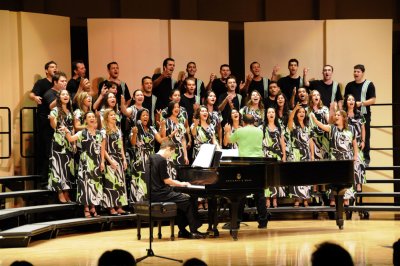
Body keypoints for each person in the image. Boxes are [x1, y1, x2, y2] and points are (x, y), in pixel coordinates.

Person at [146, 140, 207, 239]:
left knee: (181, 202)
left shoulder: (151, 157)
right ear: (168, 149)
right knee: (189, 200)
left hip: (153, 193)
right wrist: (181, 183)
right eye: (171, 153)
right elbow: (167, 180)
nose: (170, 156)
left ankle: (183, 231)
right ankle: (194, 231)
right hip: (161, 194)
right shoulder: (161, 160)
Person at [224, 114, 268, 228]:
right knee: (260, 193)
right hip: (259, 163)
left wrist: (227, 131)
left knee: (241, 193)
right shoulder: (259, 131)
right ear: (254, 122)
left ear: (243, 122)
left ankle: (237, 221)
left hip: (245, 164)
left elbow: (229, 140)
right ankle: (263, 222)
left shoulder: (240, 131)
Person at [310, 109, 358, 206]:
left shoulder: (350, 130)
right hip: (335, 159)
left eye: (338, 115)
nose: (336, 116)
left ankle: (346, 199)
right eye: (335, 115)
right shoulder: (332, 128)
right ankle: (333, 199)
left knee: (346, 180)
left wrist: (355, 156)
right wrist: (315, 120)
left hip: (346, 159)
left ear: (343, 118)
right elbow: (322, 126)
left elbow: (354, 144)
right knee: (335, 180)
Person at [63, 111, 104, 218]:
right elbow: (71, 139)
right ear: (85, 120)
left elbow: (102, 149)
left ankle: (93, 207)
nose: (91, 118)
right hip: (85, 162)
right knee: (85, 184)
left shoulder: (100, 133)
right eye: (89, 117)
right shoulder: (82, 132)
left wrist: (102, 162)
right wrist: (67, 131)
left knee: (95, 184)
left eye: (93, 117)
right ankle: (86, 208)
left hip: (96, 162)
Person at [29, 61, 58, 187]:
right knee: (46, 147)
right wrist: (34, 98)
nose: (54, 69)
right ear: (46, 70)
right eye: (52, 67)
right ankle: (44, 178)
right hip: (44, 118)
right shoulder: (41, 83)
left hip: (56, 118)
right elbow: (32, 93)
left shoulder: (57, 84)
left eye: (56, 67)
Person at [129, 108, 164, 203]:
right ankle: (138, 202)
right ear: (139, 117)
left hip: (150, 158)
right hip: (139, 158)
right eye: (143, 115)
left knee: (150, 179)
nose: (146, 117)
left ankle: (149, 200)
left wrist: (161, 126)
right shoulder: (135, 128)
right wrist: (135, 133)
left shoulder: (152, 128)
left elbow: (160, 140)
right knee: (140, 179)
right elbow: (133, 143)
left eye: (147, 115)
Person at [344, 64, 376, 166]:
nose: (356, 73)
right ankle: (349, 156)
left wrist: (361, 103)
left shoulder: (369, 84)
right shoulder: (349, 85)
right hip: (350, 114)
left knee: (365, 135)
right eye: (354, 71)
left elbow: (373, 100)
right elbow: (345, 99)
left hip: (363, 114)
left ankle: (365, 158)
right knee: (348, 134)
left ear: (362, 73)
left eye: (358, 72)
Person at [48, 89, 75, 203]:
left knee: (67, 167)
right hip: (59, 141)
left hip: (69, 141)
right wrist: (53, 119)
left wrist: (73, 142)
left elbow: (72, 127)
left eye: (67, 94)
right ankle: (60, 191)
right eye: (63, 94)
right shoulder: (55, 110)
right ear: (59, 97)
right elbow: (53, 126)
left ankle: (66, 191)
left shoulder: (70, 111)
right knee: (58, 166)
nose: (65, 96)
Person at [101, 109, 129, 216]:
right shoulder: (104, 131)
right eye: (111, 115)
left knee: (120, 182)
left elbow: (121, 146)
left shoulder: (118, 130)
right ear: (107, 117)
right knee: (111, 183)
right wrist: (110, 161)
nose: (114, 116)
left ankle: (119, 206)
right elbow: (103, 149)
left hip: (119, 159)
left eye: (114, 115)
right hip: (110, 159)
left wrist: (124, 159)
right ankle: (111, 207)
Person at [288, 103, 314, 206]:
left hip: (306, 153)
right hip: (296, 153)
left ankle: (306, 198)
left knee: (306, 176)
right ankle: (297, 199)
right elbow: (290, 120)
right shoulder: (294, 126)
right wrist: (294, 109)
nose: (302, 113)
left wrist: (312, 155)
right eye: (300, 112)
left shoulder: (308, 126)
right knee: (296, 176)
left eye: (303, 112)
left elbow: (311, 141)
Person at [263, 107, 286, 208]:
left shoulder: (279, 127)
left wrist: (284, 154)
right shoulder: (263, 127)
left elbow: (282, 142)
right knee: (267, 177)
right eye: (269, 112)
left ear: (275, 114)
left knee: (276, 177)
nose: (271, 114)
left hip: (277, 155)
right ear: (266, 115)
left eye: (273, 112)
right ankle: (267, 199)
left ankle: (275, 199)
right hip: (266, 155)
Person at [343, 94, 366, 192]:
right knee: (349, 164)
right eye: (349, 100)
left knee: (359, 162)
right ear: (346, 102)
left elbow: (363, 128)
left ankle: (358, 184)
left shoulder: (359, 114)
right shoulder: (343, 114)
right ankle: (350, 183)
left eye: (353, 99)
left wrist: (363, 140)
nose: (351, 101)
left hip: (358, 141)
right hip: (347, 142)